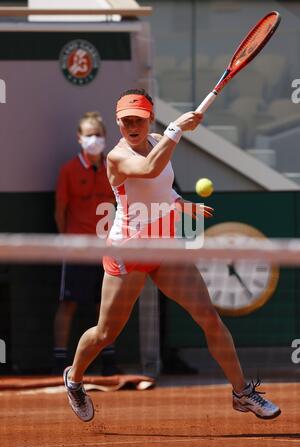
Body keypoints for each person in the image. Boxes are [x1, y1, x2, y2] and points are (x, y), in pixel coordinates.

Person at [63, 89, 281, 422]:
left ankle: (242, 392)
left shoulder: (156, 140)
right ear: (118, 123)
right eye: (125, 121)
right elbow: (149, 169)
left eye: (138, 119)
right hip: (128, 251)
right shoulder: (117, 156)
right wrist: (176, 128)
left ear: (150, 118)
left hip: (164, 247)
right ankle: (75, 378)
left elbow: (163, 185)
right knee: (106, 333)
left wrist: (180, 204)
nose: (132, 126)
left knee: (209, 317)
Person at [53, 111, 121, 376]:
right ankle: (60, 361)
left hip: (107, 248)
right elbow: (60, 210)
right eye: (89, 135)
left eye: (99, 135)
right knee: (67, 304)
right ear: (79, 138)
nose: (94, 140)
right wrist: (66, 242)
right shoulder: (68, 170)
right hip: (77, 249)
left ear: (105, 138)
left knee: (104, 306)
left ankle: (109, 360)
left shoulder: (113, 167)